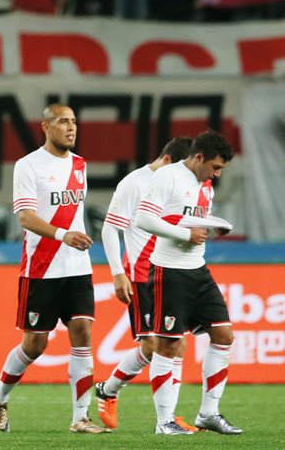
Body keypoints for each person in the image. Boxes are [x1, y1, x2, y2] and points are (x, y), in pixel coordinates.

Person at [0, 104, 107, 434]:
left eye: (74, 122)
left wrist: (73, 238)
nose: (71, 128)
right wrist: (62, 234)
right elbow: (25, 217)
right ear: (46, 127)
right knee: (35, 345)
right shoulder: (28, 166)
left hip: (77, 268)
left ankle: (80, 417)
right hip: (40, 269)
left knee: (82, 332)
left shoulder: (80, 165)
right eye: (63, 122)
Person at [134, 131, 241, 436]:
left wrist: (212, 226)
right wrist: (186, 235)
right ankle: (164, 421)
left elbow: (191, 220)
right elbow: (144, 219)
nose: (217, 174)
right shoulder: (168, 176)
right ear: (198, 158)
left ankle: (209, 413)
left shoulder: (205, 185)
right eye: (215, 167)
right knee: (169, 344)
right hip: (169, 271)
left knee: (224, 335)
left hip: (198, 270)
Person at [94, 137, 194, 431]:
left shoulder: (174, 184)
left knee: (176, 344)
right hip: (141, 276)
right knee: (154, 344)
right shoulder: (133, 183)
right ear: (166, 161)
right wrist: (116, 273)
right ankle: (111, 391)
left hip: (172, 273)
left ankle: (165, 416)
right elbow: (111, 229)